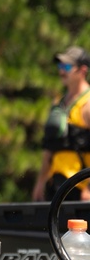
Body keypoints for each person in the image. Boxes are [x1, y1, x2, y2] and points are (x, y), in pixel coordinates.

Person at [33, 46, 90, 202]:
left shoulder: (88, 103)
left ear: (82, 70)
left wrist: (89, 188)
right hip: (56, 186)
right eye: (60, 66)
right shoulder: (59, 103)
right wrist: (40, 182)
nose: (61, 71)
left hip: (80, 187)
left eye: (67, 67)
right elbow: (49, 147)